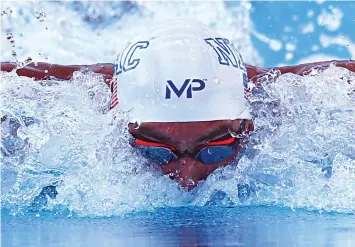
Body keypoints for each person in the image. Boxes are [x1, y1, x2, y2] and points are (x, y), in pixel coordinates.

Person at [1, 19, 355, 192]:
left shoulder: (286, 100)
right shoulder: (75, 99)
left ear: (247, 124)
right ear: (117, 119)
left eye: (215, 151)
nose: (187, 178)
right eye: (155, 151)